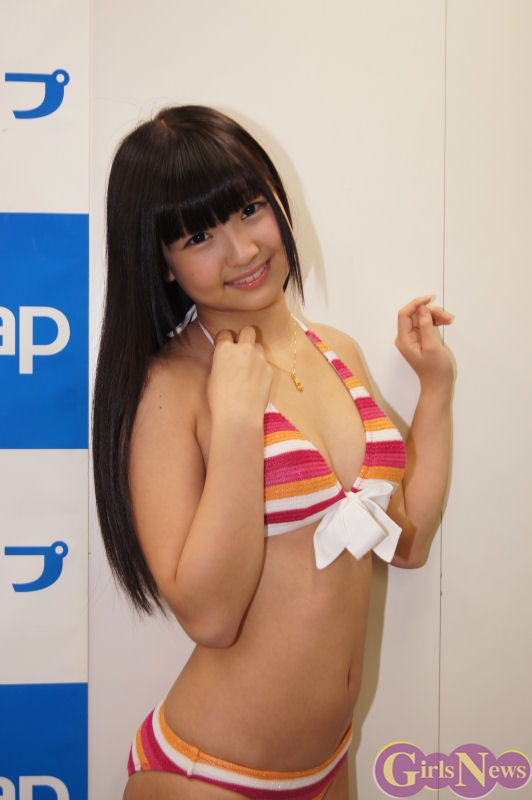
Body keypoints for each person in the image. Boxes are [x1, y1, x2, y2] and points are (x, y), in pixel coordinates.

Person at [92, 104, 455, 800]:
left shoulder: (337, 351)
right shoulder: (171, 388)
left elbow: (405, 543)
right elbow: (211, 618)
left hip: (329, 765)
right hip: (210, 775)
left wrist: (435, 390)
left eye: (250, 209)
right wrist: (236, 424)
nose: (242, 251)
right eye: (199, 235)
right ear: (162, 263)